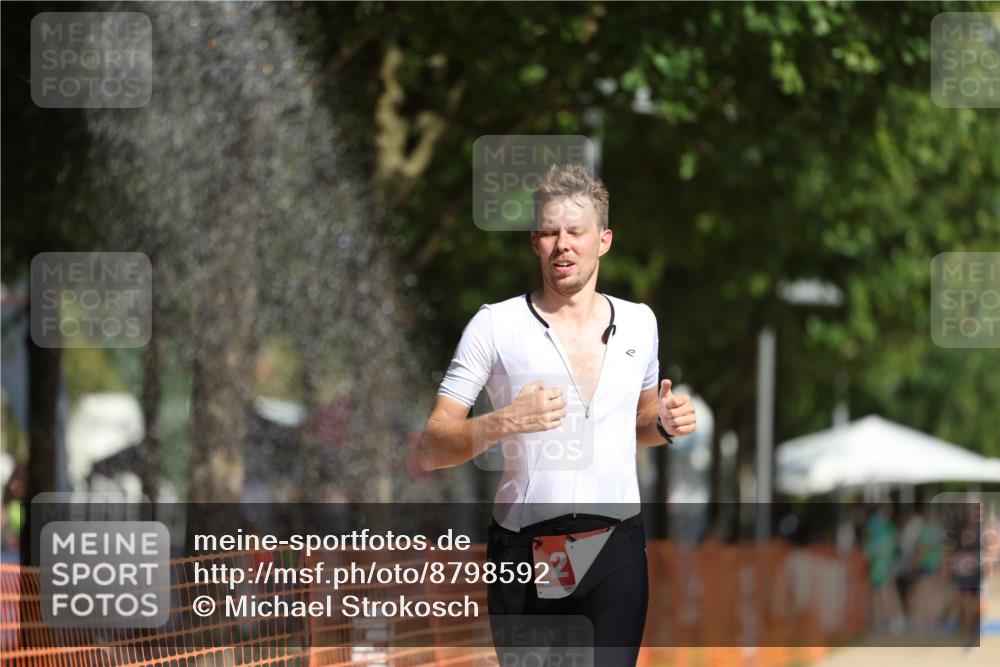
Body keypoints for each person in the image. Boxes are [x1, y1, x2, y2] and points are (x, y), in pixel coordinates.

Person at [417, 163, 696, 666]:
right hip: (524, 548)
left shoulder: (640, 323)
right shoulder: (494, 326)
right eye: (549, 232)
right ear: (534, 242)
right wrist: (504, 420)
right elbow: (432, 445)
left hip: (615, 542)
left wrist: (664, 424)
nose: (562, 244)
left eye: (575, 231)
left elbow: (636, 425)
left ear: (603, 240)